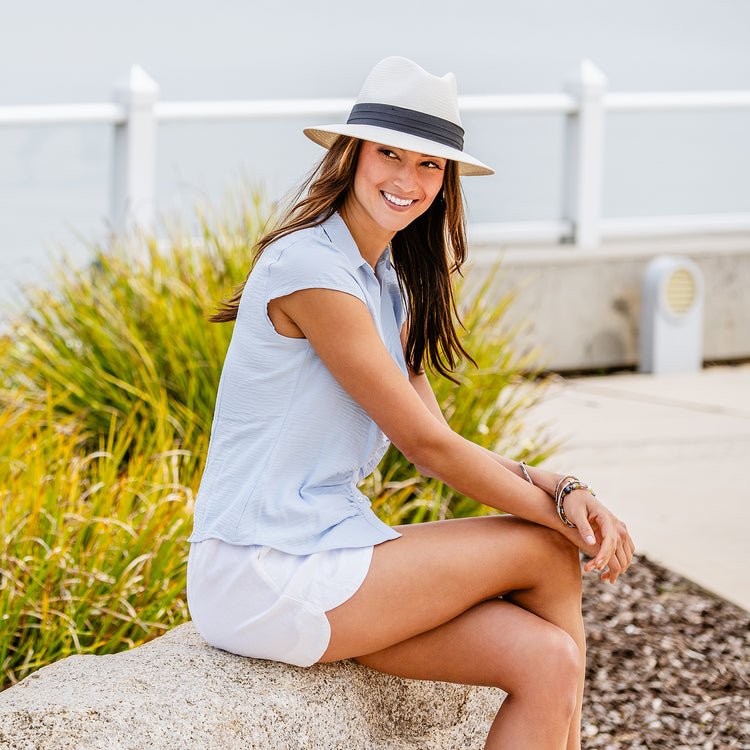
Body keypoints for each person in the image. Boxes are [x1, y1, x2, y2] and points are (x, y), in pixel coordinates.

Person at [187, 56, 634, 750]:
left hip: (329, 550)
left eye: (429, 165)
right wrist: (564, 520)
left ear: (447, 181)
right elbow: (427, 452)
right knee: (547, 552)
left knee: (550, 660)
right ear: (351, 155)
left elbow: (439, 434)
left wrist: (560, 484)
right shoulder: (312, 269)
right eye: (389, 154)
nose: (407, 179)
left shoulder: (384, 281)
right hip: (262, 569)